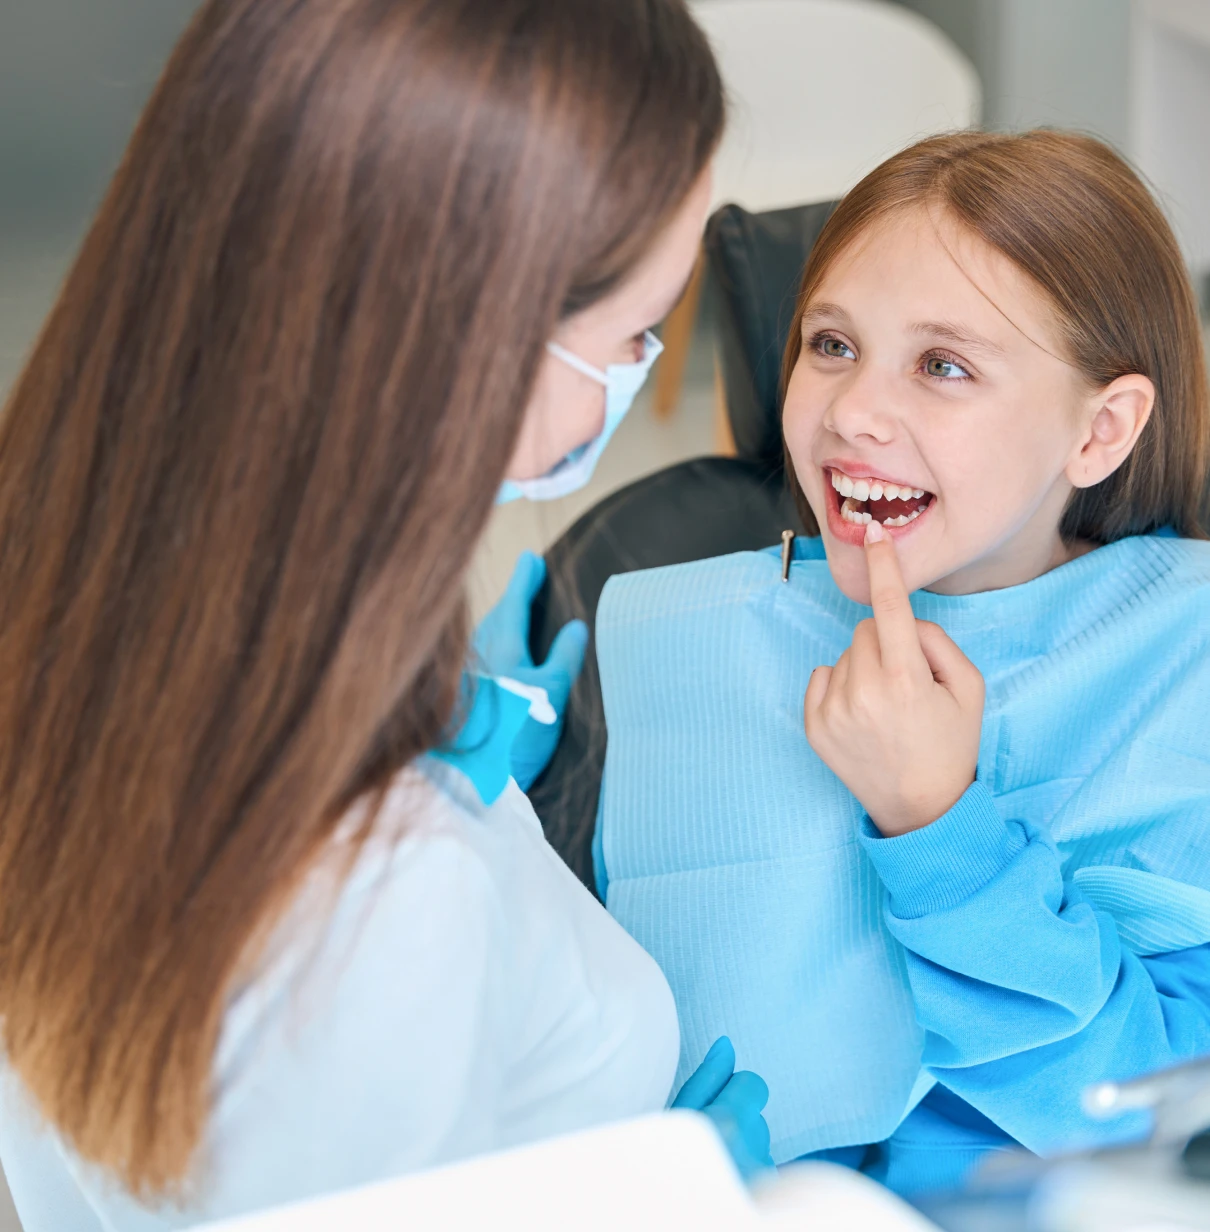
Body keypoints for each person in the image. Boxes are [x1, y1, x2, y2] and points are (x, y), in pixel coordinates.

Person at [0, 2, 773, 1228]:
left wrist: (428, 752)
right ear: (482, 340)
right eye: (636, 331)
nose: (641, 367)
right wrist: (662, 1191)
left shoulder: (62, 586)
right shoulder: (384, 898)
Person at [595, 130, 1210, 1198]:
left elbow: (1157, 1119)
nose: (850, 414)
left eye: (943, 365)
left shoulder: (1184, 664)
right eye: (830, 344)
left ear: (1101, 430)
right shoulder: (703, 633)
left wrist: (939, 823)